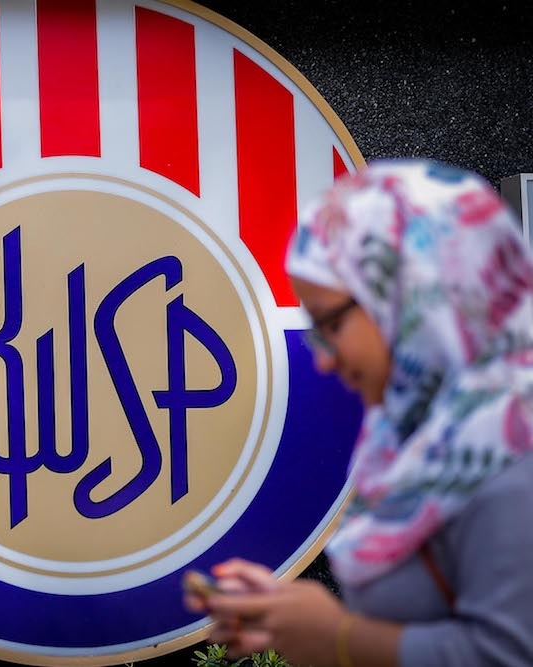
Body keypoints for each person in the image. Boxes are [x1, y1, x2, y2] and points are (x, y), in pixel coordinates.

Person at [182, 158, 533, 666]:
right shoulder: (412, 436)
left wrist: (336, 637)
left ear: (415, 298)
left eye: (330, 323)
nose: (322, 359)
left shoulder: (515, 450)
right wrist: (291, 618)